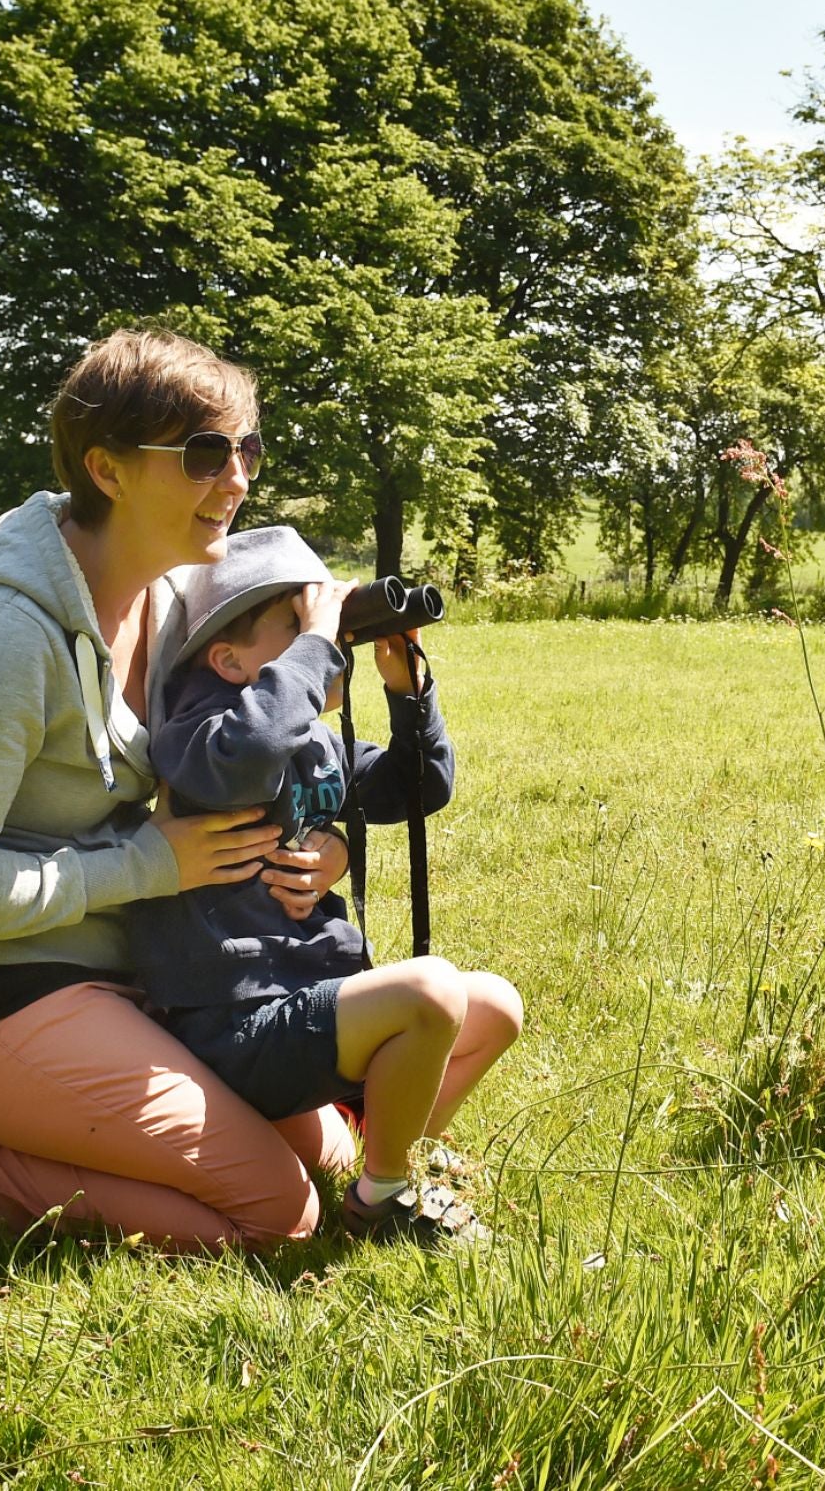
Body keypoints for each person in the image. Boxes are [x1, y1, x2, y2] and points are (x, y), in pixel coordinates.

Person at [0, 329, 511, 1253]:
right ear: (105, 468)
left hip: (135, 975)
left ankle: (72, 1142)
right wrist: (148, 864)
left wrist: (323, 836)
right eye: (204, 454)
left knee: (332, 1164)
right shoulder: (0, 633)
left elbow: (252, 760)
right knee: (278, 1219)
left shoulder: (173, 600)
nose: (236, 478)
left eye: (247, 450)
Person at [133, 526, 518, 1243]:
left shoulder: (313, 737)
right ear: (227, 657)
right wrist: (316, 645)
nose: (329, 641)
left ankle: (385, 1152)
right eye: (300, 623)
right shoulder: (198, 735)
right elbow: (248, 757)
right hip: (234, 1028)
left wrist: (410, 693)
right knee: (431, 990)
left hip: (308, 1011)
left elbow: (415, 790)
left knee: (496, 1005)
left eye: (332, 627)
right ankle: (382, 1200)